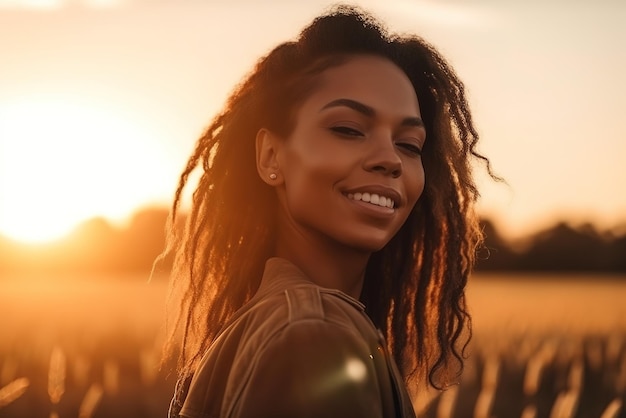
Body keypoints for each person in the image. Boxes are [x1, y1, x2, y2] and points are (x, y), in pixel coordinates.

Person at [161, 5, 495, 417]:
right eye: (348, 129)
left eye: (409, 145)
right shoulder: (312, 334)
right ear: (271, 156)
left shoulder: (283, 319)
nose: (389, 159)